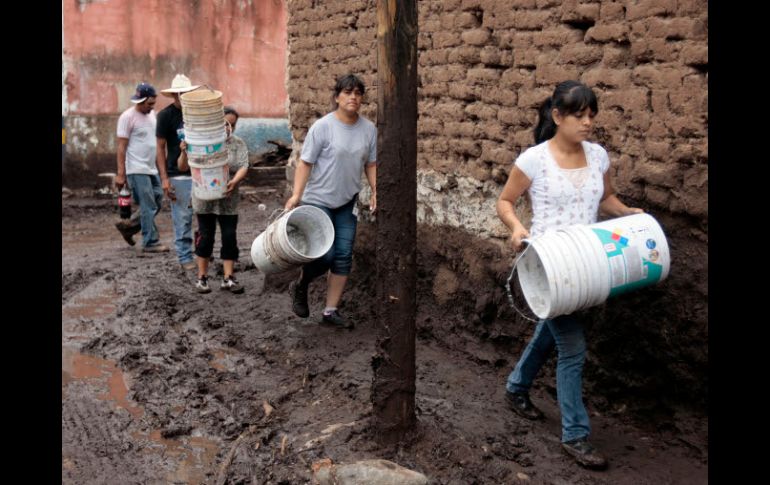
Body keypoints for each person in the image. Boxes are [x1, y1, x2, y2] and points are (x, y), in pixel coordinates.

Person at [496, 80, 643, 469]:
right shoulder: (534, 160)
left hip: (587, 263)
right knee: (573, 347)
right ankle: (575, 435)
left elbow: (606, 199)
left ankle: (516, 388)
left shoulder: (598, 157)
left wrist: (627, 213)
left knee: (551, 333)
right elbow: (505, 201)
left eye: (592, 114)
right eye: (579, 115)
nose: (588, 122)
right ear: (557, 116)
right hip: (549, 266)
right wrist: (516, 228)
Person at [285, 74, 377, 329]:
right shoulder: (323, 127)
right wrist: (296, 195)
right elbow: (306, 163)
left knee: (343, 256)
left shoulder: (369, 130)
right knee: (325, 256)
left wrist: (376, 190)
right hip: (318, 202)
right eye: (348, 93)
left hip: (346, 203)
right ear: (337, 97)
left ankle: (330, 311)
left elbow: (371, 164)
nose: (353, 98)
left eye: (358, 94)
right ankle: (301, 284)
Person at [178, 107, 249, 294]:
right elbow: (183, 167)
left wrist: (235, 180)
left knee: (229, 237)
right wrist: (184, 152)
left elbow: (243, 165)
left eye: (232, 125)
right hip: (204, 199)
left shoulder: (237, 144)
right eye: (225, 123)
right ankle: (202, 278)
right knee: (205, 237)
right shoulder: (199, 143)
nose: (228, 128)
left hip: (228, 198)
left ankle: (228, 278)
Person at [114, 82, 169, 253]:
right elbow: (121, 147)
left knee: (157, 199)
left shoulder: (152, 115)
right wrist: (121, 174)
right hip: (136, 169)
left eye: (154, 103)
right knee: (148, 204)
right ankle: (150, 241)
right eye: (150, 103)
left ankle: (129, 227)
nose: (152, 107)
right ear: (141, 101)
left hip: (151, 168)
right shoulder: (127, 117)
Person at [156, 74, 201, 270]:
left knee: (203, 216)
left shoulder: (197, 113)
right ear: (173, 95)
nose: (181, 97)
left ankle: (202, 253)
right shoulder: (165, 116)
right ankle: (184, 257)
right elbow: (160, 148)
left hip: (200, 172)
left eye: (185, 93)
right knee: (183, 217)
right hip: (178, 174)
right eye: (178, 94)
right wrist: (164, 178)